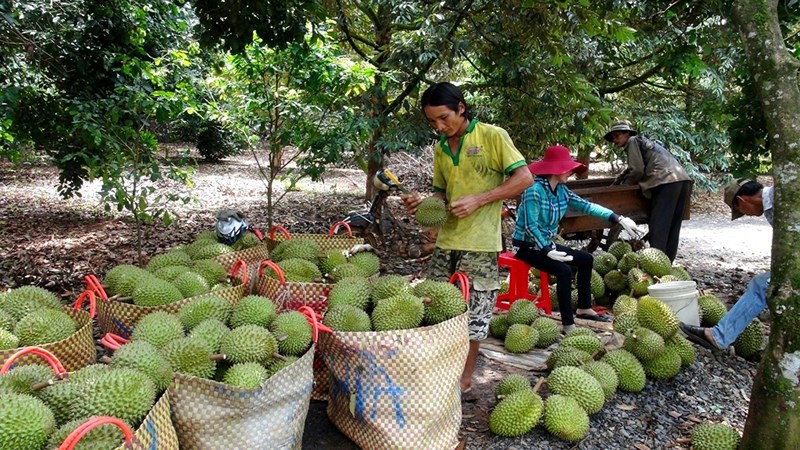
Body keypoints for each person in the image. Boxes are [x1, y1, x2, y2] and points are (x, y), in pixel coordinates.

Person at [401, 82, 533, 394]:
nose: (439, 126)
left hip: (480, 242)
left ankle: (463, 379)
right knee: (433, 306)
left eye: (444, 118)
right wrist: (424, 203)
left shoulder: (491, 136)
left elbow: (524, 178)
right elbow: (441, 194)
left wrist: (480, 199)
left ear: (461, 107)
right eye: (432, 121)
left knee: (474, 315)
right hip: (447, 241)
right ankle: (435, 368)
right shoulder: (441, 149)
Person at [512, 145, 645, 333]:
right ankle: (568, 324)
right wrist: (547, 249)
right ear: (556, 170)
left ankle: (584, 307)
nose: (571, 172)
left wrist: (618, 218)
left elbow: (587, 207)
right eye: (567, 168)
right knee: (564, 271)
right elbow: (530, 226)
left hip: (546, 245)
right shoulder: (534, 191)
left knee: (586, 259)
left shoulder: (561, 191)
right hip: (527, 246)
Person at [680, 178, 774, 350]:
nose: (747, 215)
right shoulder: (774, 202)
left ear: (742, 200)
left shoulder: (779, 199)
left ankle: (719, 336)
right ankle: (719, 335)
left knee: (761, 286)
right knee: (761, 284)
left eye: (741, 211)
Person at [604, 120, 692, 261]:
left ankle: (656, 264)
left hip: (665, 181)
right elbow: (635, 167)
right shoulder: (642, 142)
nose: (615, 140)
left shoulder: (632, 141)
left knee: (659, 226)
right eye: (613, 137)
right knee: (672, 227)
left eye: (617, 135)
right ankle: (667, 263)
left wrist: (624, 187)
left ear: (626, 134)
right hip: (682, 180)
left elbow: (637, 170)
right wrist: (620, 178)